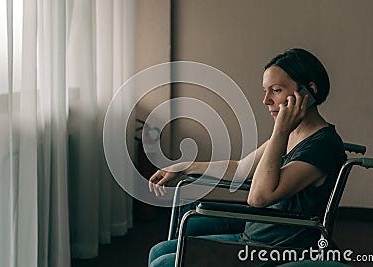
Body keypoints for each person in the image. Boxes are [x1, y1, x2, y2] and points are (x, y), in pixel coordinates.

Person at [147, 48, 347, 266]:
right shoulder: (292, 134)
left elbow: (259, 198)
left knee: (164, 263)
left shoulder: (321, 146)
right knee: (159, 251)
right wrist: (184, 166)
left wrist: (279, 131)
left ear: (309, 91)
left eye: (276, 90)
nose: (266, 100)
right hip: (254, 237)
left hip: (274, 249)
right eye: (265, 91)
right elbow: (241, 168)